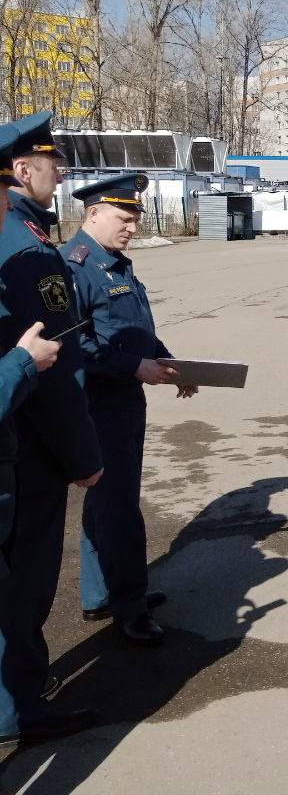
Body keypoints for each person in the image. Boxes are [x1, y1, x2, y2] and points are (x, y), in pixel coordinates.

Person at [0, 111, 103, 745]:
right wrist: (83, 456)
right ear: (22, 169)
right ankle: (20, 709)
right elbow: (56, 367)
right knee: (25, 583)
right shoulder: (28, 252)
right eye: (53, 163)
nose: (60, 175)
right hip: (28, 452)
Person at [63, 173, 197, 647]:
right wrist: (132, 367)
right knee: (119, 507)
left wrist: (170, 362)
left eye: (136, 219)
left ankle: (102, 594)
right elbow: (72, 346)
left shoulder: (116, 264)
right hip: (98, 405)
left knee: (104, 504)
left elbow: (135, 327)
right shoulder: (72, 267)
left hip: (123, 400)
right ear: (93, 213)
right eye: (124, 218)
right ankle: (130, 606)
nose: (132, 227)